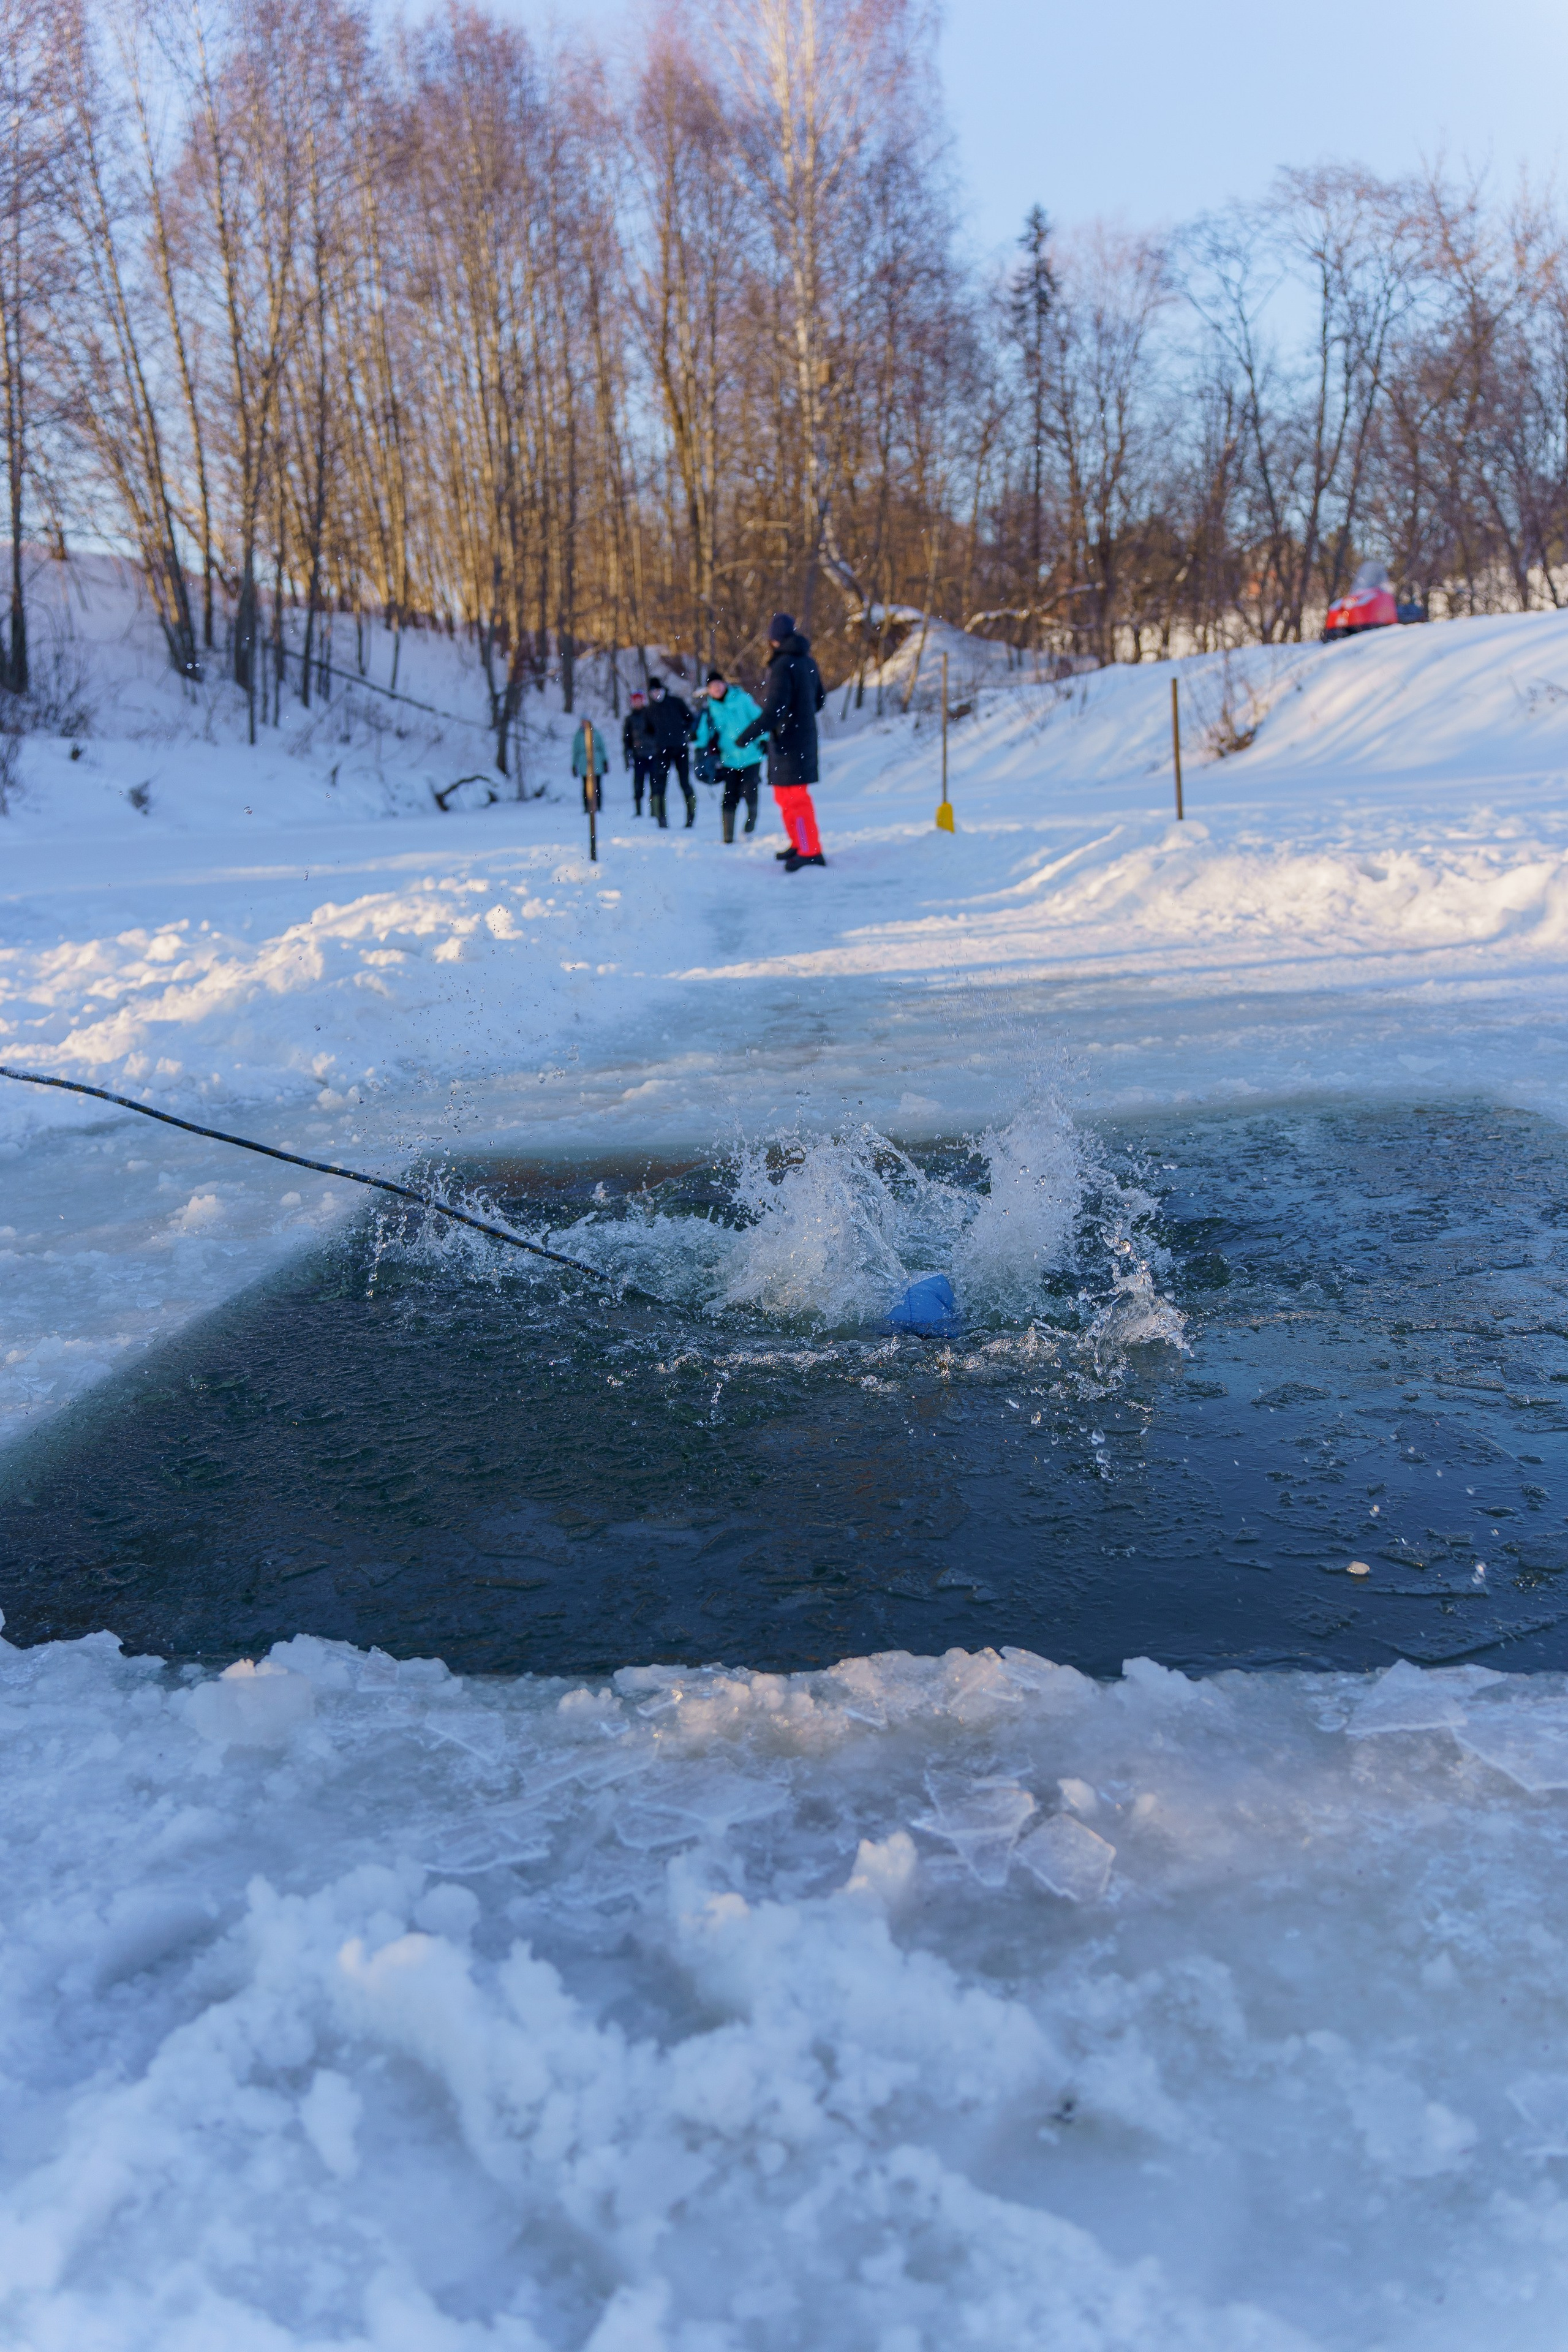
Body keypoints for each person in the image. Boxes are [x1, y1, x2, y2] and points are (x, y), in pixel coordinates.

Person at [737, 611, 826, 870]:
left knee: (795, 799)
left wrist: (748, 735)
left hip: (790, 741)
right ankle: (799, 843)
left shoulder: (783, 665)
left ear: (773, 639)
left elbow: (775, 710)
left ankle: (811, 850)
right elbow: (819, 700)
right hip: (797, 739)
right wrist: (801, 715)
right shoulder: (807, 662)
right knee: (784, 796)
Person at [692, 668, 765, 842]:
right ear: (708, 690)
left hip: (751, 755)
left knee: (749, 790)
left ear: (725, 684)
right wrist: (695, 739)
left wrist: (764, 739)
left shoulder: (743, 699)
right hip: (729, 759)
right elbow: (704, 734)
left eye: (718, 684)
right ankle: (728, 837)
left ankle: (751, 821)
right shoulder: (709, 709)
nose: (716, 689)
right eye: (712, 687)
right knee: (729, 796)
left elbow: (759, 719)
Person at [645, 676, 696, 829]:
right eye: (653, 692)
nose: (656, 694)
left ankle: (691, 814)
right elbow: (648, 730)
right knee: (660, 784)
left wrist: (684, 732)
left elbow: (690, 719)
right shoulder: (650, 710)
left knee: (685, 782)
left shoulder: (676, 702)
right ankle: (661, 817)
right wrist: (658, 739)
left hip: (680, 748)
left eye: (658, 691)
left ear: (664, 690)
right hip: (662, 751)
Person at [622, 689, 655, 816]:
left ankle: (655, 811)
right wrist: (627, 756)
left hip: (653, 754)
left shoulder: (651, 715)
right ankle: (638, 811)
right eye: (635, 701)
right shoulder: (630, 719)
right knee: (638, 784)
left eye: (639, 700)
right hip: (639, 756)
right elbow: (627, 739)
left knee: (655, 784)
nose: (637, 703)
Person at [571, 714, 609, 815]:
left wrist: (605, 761)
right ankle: (587, 807)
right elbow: (575, 751)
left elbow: (602, 747)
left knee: (597, 786)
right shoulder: (578, 735)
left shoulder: (596, 733)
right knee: (586, 787)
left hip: (597, 763)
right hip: (584, 764)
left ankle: (598, 806)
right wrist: (574, 765)